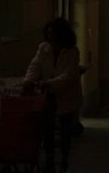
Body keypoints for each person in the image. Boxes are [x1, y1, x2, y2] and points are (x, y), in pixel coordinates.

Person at [23, 18, 82, 173]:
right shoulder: (43, 48)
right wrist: (28, 80)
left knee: (64, 129)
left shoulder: (72, 51)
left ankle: (64, 159)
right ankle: (49, 159)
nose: (50, 36)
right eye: (48, 33)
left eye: (53, 33)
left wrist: (49, 83)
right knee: (47, 127)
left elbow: (69, 75)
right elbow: (35, 65)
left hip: (66, 95)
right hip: (48, 95)